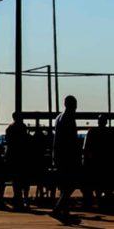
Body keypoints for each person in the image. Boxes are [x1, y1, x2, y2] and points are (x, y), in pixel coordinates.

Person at [51, 95, 82, 224]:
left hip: (59, 155)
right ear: (72, 105)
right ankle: (59, 208)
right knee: (71, 183)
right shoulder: (69, 118)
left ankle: (64, 210)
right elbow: (71, 140)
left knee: (65, 184)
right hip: (67, 156)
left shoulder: (59, 117)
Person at [82, 114, 112, 209]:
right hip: (107, 162)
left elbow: (85, 148)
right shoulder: (110, 132)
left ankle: (98, 199)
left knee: (96, 183)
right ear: (106, 122)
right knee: (106, 182)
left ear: (98, 122)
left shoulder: (92, 131)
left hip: (95, 162)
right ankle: (105, 199)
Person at [5, 111, 30, 210]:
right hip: (21, 156)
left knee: (16, 180)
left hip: (12, 156)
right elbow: (25, 141)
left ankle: (17, 198)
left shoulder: (10, 128)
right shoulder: (22, 127)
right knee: (24, 179)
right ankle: (24, 198)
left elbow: (8, 141)